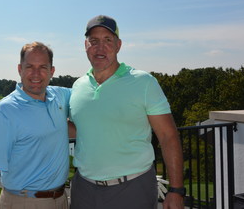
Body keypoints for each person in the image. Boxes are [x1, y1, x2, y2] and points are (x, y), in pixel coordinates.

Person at [69, 15, 185, 209]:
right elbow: (82, 131)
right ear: (85, 45)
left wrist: (176, 190)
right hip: (84, 190)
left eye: (107, 40)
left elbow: (168, 136)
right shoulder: (78, 86)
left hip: (132, 188)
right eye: (94, 41)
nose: (100, 48)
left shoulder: (143, 82)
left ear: (119, 45)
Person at [0, 42, 71, 209]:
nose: (36, 74)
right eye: (30, 66)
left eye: (43, 67)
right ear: (19, 69)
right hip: (24, 202)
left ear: (52, 71)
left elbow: (90, 97)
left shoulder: (59, 96)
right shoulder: (4, 111)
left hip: (61, 200)